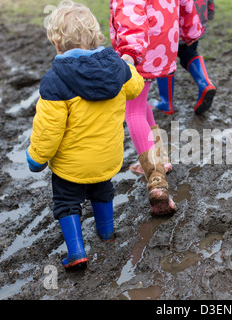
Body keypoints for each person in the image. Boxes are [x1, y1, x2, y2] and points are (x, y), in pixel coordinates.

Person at [26, 1, 144, 269]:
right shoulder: (117, 67)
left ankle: (77, 252)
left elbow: (48, 130)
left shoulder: (55, 81)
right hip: (106, 158)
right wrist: (129, 64)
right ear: (96, 36)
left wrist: (37, 158)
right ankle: (107, 234)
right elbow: (136, 88)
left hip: (71, 165)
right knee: (103, 190)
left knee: (67, 202)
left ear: (57, 43)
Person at [109, 0, 204, 215]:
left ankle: (156, 180)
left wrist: (129, 54)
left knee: (132, 110)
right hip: (164, 41)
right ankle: (160, 157)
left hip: (140, 46)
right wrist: (189, 30)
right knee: (140, 103)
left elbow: (130, 9)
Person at [152, 0, 216, 115]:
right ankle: (205, 84)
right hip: (197, 16)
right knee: (189, 53)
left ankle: (166, 103)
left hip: (170, 17)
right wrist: (210, 10)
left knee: (164, 57)